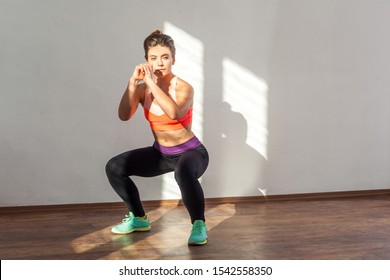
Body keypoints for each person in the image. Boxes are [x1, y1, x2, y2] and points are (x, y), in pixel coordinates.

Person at [105, 30, 209, 245]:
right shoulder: (144, 89)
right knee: (114, 167)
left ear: (173, 59)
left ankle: (199, 224)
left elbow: (174, 113)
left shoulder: (184, 88)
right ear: (147, 61)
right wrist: (133, 83)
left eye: (165, 57)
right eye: (153, 58)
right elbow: (124, 115)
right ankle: (139, 219)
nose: (159, 63)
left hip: (190, 152)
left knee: (183, 172)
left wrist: (150, 83)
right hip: (161, 153)